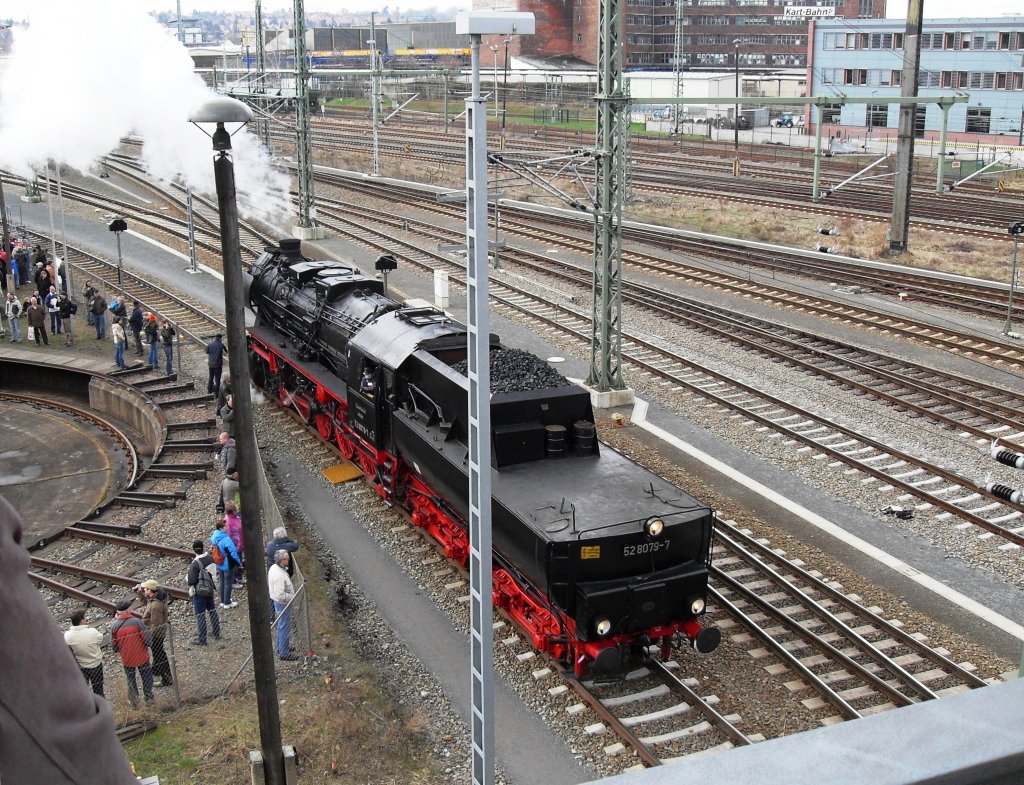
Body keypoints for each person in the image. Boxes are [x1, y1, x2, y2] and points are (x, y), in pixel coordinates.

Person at [0, 497, 139, 783]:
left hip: (83, 669)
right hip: (94, 668)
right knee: (96, 691)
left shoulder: (69, 635)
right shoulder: (94, 633)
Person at [110, 597, 154, 707]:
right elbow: (147, 639)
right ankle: (149, 698)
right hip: (141, 656)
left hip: (127, 658)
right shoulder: (137, 622)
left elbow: (114, 646)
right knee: (146, 677)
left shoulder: (114, 626)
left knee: (131, 679)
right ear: (128, 610)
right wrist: (148, 644)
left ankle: (134, 701)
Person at [135, 580, 173, 687]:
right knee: (160, 655)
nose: (144, 591)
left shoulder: (156, 605)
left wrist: (148, 636)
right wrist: (139, 593)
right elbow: (145, 601)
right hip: (157, 634)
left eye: (145, 589)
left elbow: (156, 625)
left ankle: (165, 678)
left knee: (159, 656)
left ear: (150, 591)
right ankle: (162, 674)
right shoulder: (154, 599)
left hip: (155, 635)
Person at [64, 608, 107, 697]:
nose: (86, 619)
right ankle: (100, 706)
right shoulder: (92, 632)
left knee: (84, 690)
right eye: (85, 617)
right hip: (95, 665)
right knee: (98, 689)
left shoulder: (68, 635)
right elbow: (100, 639)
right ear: (81, 620)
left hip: (81, 667)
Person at [186, 539, 221, 646]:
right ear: (203, 547)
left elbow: (191, 581)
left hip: (199, 592)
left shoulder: (195, 563)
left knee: (200, 615)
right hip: (210, 589)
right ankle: (216, 632)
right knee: (212, 611)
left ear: (194, 550)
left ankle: (202, 639)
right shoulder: (211, 558)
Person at [268, 550, 298, 661]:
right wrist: (292, 596)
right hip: (282, 603)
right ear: (282, 561)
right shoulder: (279, 575)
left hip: (280, 602)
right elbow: (280, 595)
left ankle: (282, 647)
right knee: (284, 626)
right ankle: (284, 653)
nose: (288, 559)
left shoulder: (274, 568)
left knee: (282, 625)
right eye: (286, 558)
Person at [211, 518, 241, 609]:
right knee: (228, 583)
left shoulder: (213, 537)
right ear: (221, 528)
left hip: (219, 563)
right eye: (226, 526)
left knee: (222, 582)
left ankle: (223, 600)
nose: (228, 527)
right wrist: (239, 563)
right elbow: (233, 552)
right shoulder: (226, 539)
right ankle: (227, 602)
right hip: (227, 564)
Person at [224, 500, 244, 589]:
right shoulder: (228, 521)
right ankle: (233, 580)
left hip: (239, 545)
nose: (238, 509)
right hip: (234, 546)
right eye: (236, 508)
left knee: (239, 560)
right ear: (232, 512)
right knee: (234, 563)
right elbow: (228, 536)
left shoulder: (236, 517)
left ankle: (239, 576)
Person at [217, 431, 236, 514]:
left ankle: (227, 509)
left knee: (227, 492)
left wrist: (228, 472)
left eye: (221, 439)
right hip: (228, 474)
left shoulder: (231, 448)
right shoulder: (227, 446)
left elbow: (231, 462)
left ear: (225, 438)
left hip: (230, 474)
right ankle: (221, 507)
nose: (220, 441)